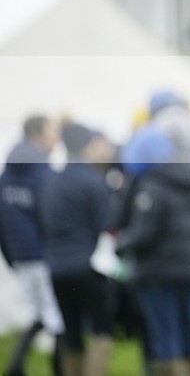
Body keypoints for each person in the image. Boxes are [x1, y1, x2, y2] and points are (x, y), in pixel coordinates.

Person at [116, 93, 190, 376]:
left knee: (166, 341)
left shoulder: (152, 184)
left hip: (159, 273)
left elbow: (143, 233)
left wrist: (120, 244)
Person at [39, 122, 116, 376]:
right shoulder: (92, 181)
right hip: (87, 266)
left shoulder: (51, 180)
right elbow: (107, 224)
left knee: (70, 330)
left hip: (55, 266)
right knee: (101, 328)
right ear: (86, 146)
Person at [0, 115, 64, 376]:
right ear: (38, 135)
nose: (55, 138)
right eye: (51, 132)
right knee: (58, 319)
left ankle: (15, 368)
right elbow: (50, 214)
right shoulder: (41, 170)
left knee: (39, 314)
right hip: (43, 254)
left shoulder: (8, 172)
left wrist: (10, 256)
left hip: (20, 255)